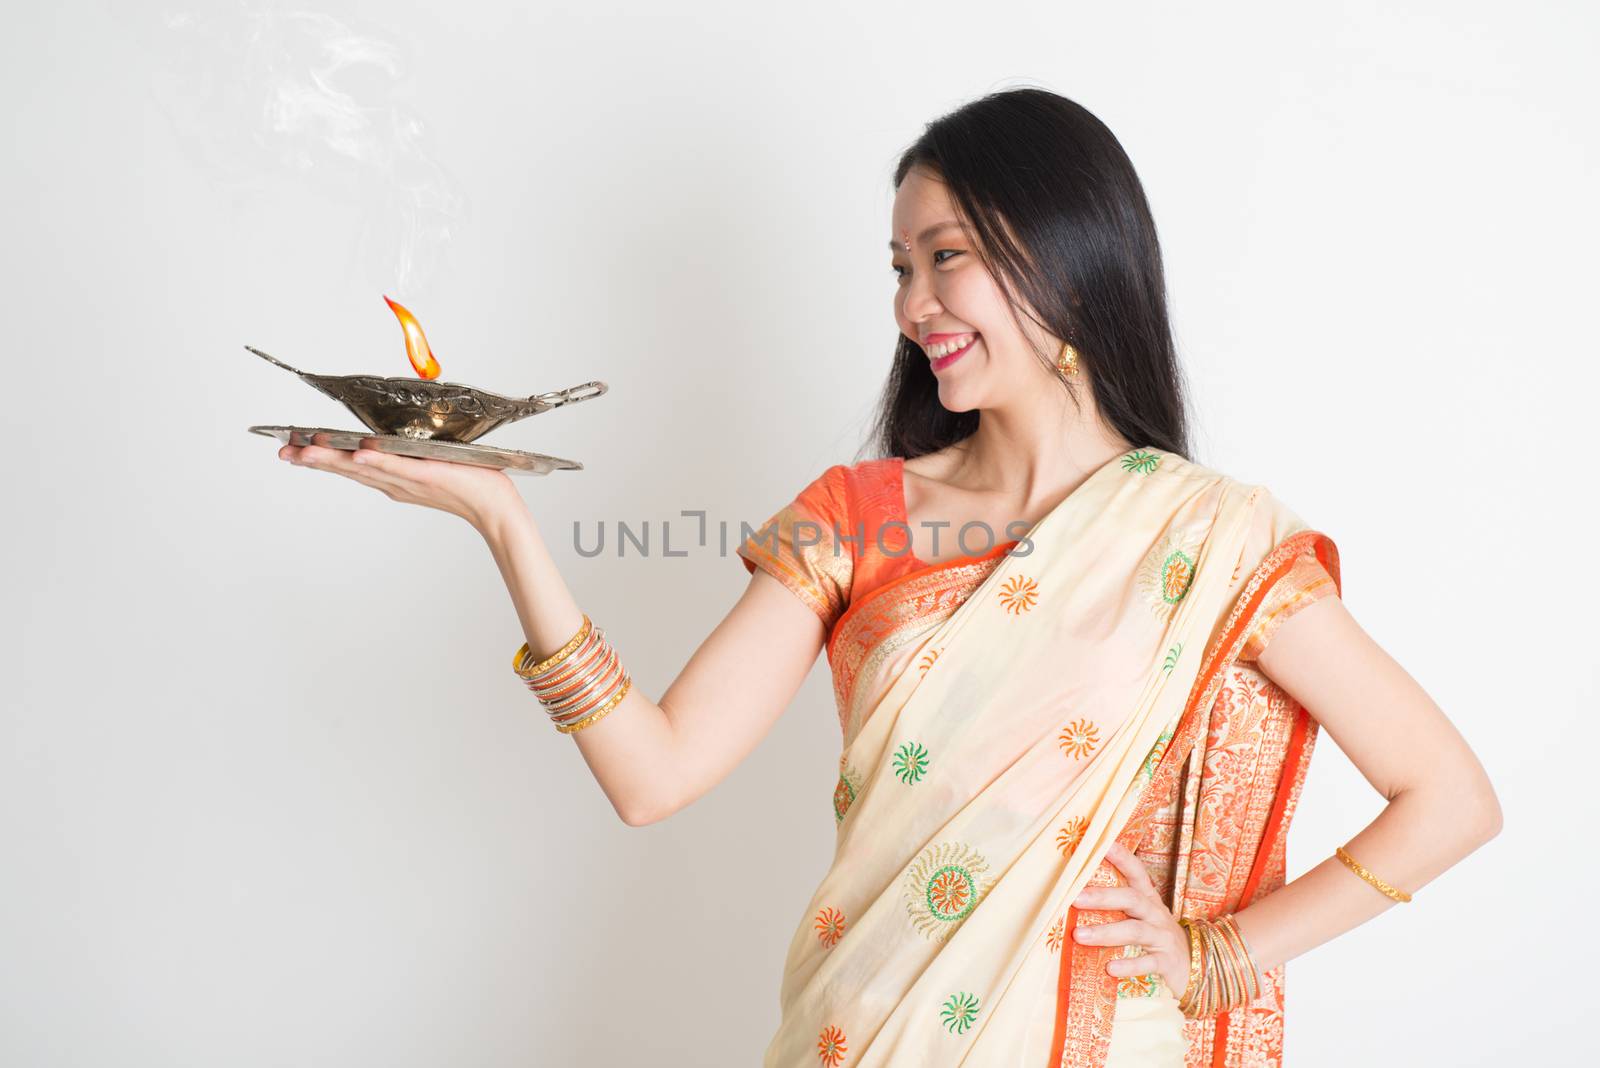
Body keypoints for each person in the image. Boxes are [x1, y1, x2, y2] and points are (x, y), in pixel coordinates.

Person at [274, 87, 1502, 1067]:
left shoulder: (1211, 536)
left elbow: (1448, 797)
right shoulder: (853, 516)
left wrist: (1216, 959)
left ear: (1067, 259)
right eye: (899, 266)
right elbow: (653, 776)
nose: (914, 303)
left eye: (945, 257)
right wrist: (504, 524)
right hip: (860, 1030)